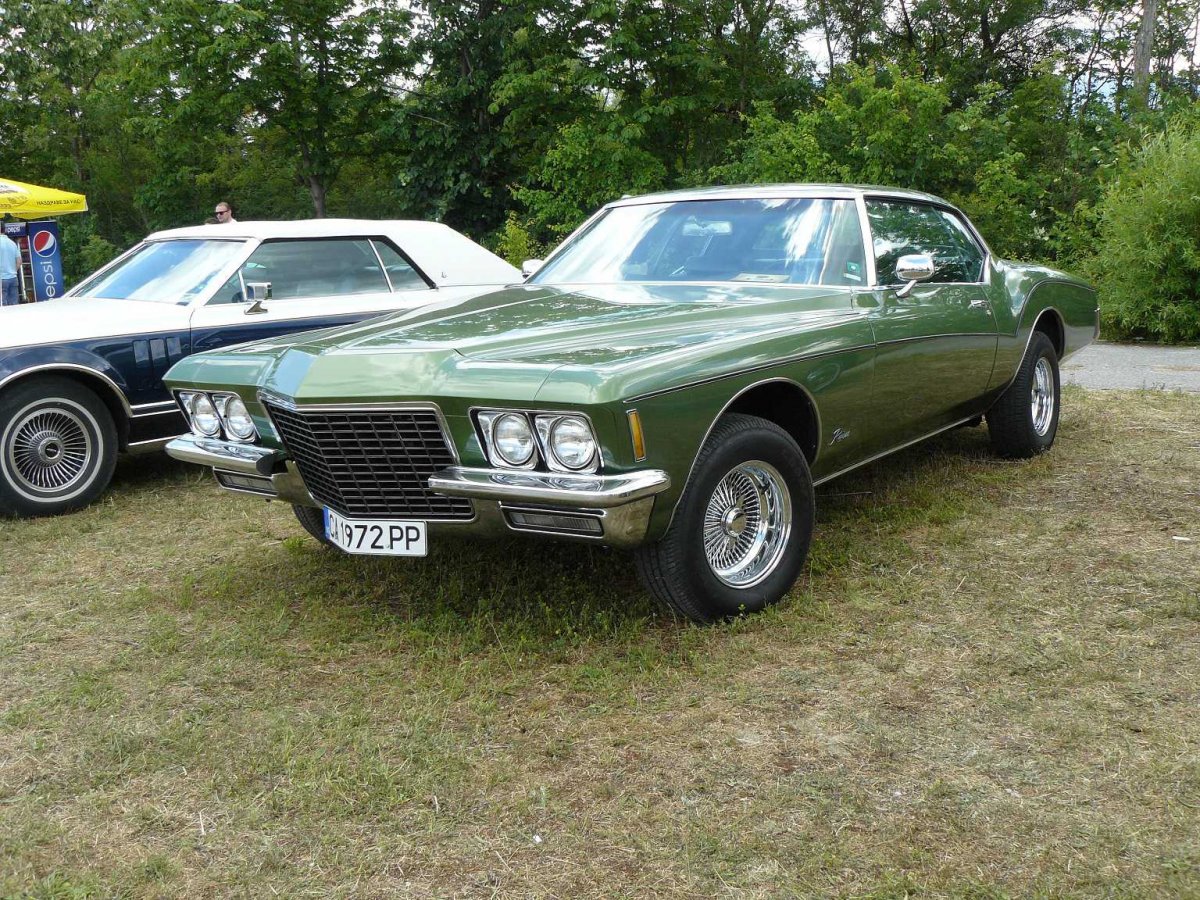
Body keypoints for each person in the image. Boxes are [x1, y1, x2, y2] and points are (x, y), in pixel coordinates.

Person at [0, 232, 19, 307]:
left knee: (2, 307)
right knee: (14, 306)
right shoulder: (13, 243)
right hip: (13, 278)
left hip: (1, 279)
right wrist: (13, 271)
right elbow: (19, 261)